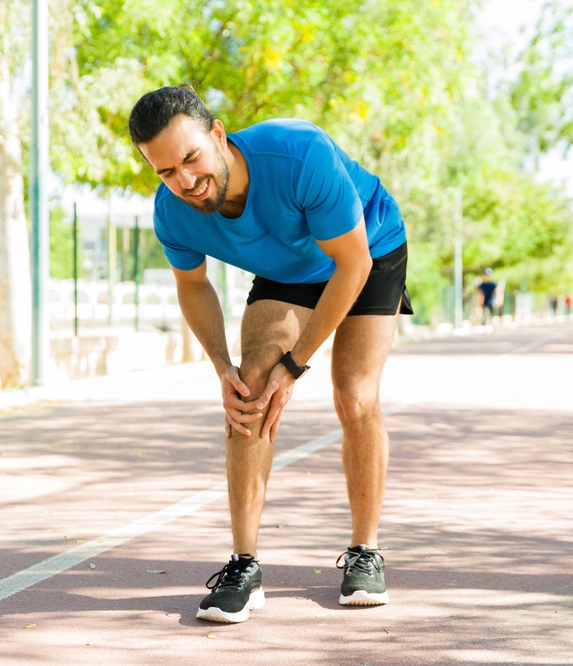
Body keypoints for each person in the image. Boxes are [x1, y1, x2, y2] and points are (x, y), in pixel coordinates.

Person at [128, 85, 412, 623]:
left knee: (354, 394)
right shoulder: (173, 212)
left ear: (217, 134)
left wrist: (296, 363)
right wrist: (220, 366)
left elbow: (350, 266)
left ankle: (365, 550)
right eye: (166, 171)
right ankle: (244, 564)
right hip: (290, 270)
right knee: (250, 387)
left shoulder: (299, 153)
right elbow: (193, 288)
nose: (186, 181)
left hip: (367, 247)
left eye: (190, 158)